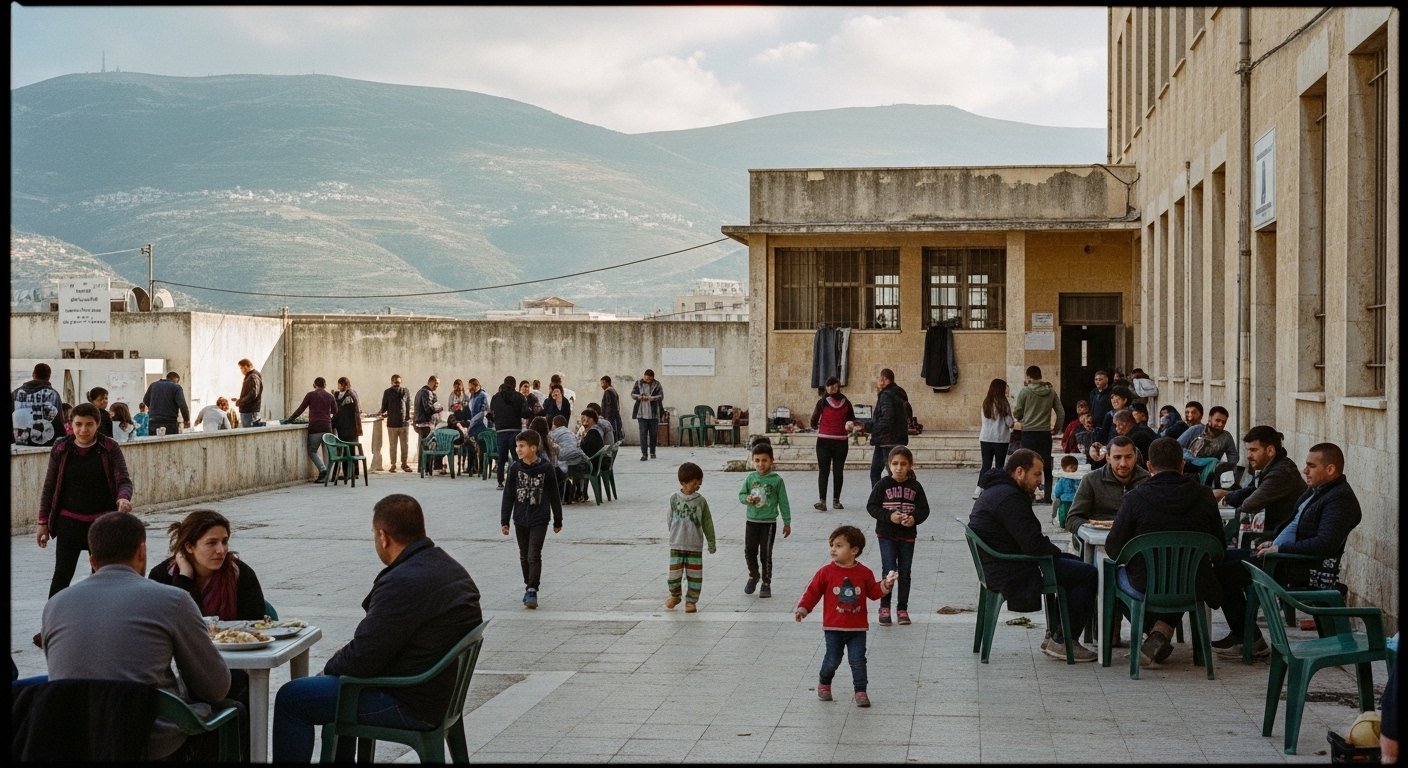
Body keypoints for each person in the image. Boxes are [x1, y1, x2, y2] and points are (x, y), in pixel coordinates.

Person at [272, 494, 482, 762]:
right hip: (435, 694)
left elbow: (364, 657)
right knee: (334, 687)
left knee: (293, 697)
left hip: (409, 700)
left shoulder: (402, 582)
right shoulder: (447, 566)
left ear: (383, 537)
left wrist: (331, 667)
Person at [40, 511, 234, 761]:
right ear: (141, 551)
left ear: (91, 559)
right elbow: (216, 687)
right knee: (230, 709)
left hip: (75, 739)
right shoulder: (173, 600)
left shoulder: (55, 605)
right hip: (147, 741)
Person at [1211, 442, 1362, 659]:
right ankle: (1244, 634)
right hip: (1281, 557)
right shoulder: (1316, 491)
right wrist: (1273, 541)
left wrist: (1280, 548)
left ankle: (1250, 639)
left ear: (1330, 469)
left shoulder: (1340, 500)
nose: (1305, 470)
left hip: (1300, 567)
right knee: (1220, 558)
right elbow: (1295, 525)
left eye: (1311, 466)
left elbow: (1324, 544)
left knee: (1222, 574)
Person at [1103, 437, 1226, 666]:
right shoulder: (1204, 495)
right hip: (1193, 582)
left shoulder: (1135, 498)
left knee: (1112, 576)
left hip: (1145, 584)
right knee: (1178, 576)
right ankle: (1161, 631)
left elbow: (1113, 550)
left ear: (1149, 466)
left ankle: (1156, 632)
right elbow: (1218, 545)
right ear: (1182, 465)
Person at [969, 448, 1098, 662]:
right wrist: (1055, 552)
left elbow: (1030, 540)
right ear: (1020, 472)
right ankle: (1063, 641)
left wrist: (1056, 553)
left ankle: (1056, 634)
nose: (1040, 481)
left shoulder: (999, 490)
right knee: (1088, 573)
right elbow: (1032, 543)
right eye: (1036, 474)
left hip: (1002, 563)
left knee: (1075, 564)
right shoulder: (1009, 497)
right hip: (1013, 569)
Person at [37, 402, 135, 598]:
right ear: (70, 425)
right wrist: (42, 523)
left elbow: (123, 479)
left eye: (89, 424)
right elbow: (49, 486)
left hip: (102, 524)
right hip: (69, 522)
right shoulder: (61, 447)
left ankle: (99, 620)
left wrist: (123, 498)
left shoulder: (109, 447)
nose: (83, 430)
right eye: (79, 424)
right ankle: (53, 622)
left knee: (102, 576)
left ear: (97, 424)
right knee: (62, 575)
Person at [794, 525, 898, 708]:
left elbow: (873, 593)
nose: (833, 549)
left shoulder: (864, 573)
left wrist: (886, 585)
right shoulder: (825, 572)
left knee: (857, 660)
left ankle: (860, 691)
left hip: (857, 628)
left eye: (839, 545)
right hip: (833, 627)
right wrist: (803, 608)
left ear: (854, 550)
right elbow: (813, 591)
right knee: (833, 659)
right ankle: (824, 682)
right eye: (832, 545)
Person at [147, 508, 267, 620]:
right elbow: (171, 623)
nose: (221, 550)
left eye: (224, 542)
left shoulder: (240, 573)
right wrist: (184, 578)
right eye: (211, 543)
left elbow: (255, 624)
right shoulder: (162, 576)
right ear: (189, 546)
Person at [865, 446, 930, 627]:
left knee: (905, 572)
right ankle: (884, 607)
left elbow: (924, 509)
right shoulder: (883, 484)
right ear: (889, 465)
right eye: (895, 464)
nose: (899, 468)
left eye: (903, 464)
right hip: (886, 535)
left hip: (907, 537)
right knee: (889, 570)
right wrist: (889, 516)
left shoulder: (915, 487)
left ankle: (902, 608)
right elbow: (872, 506)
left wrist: (914, 519)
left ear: (910, 465)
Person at [500, 429, 563, 609]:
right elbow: (508, 495)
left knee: (533, 553)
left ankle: (532, 589)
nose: (518, 450)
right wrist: (504, 520)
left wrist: (558, 519)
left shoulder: (545, 468)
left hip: (540, 518)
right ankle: (529, 582)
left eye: (522, 446)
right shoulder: (515, 468)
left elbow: (554, 495)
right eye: (517, 446)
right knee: (524, 554)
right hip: (520, 519)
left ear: (533, 448)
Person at [1212, 425, 1307, 539]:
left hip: (1282, 536)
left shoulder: (1281, 473)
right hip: (1274, 530)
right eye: (1248, 450)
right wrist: (1226, 495)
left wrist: (1224, 515)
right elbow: (1251, 490)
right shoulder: (1269, 467)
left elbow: (1249, 504)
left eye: (1253, 450)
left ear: (1270, 450)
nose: (1248, 456)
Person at [738, 440, 792, 599]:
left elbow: (783, 502)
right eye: (757, 460)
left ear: (771, 461)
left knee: (766, 553)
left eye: (764, 460)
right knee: (749, 551)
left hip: (768, 523)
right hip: (752, 522)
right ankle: (753, 575)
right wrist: (747, 498)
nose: (760, 464)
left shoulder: (777, 480)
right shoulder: (750, 478)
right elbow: (741, 495)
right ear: (753, 460)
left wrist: (787, 522)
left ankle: (766, 583)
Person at [1064, 436, 1149, 534]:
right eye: (1117, 457)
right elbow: (1072, 519)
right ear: (1108, 458)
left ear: (1135, 457)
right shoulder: (1091, 480)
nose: (1123, 464)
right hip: (1098, 538)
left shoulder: (1147, 481)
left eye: (1128, 457)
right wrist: (1091, 530)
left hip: (1135, 540)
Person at [666, 461, 717, 612]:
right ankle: (675, 595)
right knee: (674, 575)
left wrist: (711, 542)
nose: (698, 486)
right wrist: (675, 535)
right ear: (684, 482)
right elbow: (669, 520)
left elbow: (707, 522)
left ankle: (691, 602)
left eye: (699, 483)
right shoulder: (674, 499)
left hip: (694, 546)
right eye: (695, 483)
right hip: (676, 545)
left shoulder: (701, 501)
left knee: (695, 577)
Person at [1012, 365, 1064, 505]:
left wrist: (1023, 418)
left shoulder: (1025, 392)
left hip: (1029, 433)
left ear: (1028, 376)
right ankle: (1047, 496)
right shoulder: (1051, 392)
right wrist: (1056, 428)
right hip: (1044, 433)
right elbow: (1061, 412)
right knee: (1046, 463)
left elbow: (1017, 413)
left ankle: (1028, 495)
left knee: (1027, 463)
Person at [810, 376, 856, 511]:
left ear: (838, 387)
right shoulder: (822, 402)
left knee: (837, 471)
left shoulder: (846, 402)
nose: (831, 388)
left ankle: (836, 500)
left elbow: (852, 418)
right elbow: (814, 419)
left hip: (838, 442)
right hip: (825, 442)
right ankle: (822, 501)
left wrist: (850, 424)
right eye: (829, 386)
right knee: (824, 471)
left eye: (834, 386)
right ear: (826, 387)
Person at [285, 377, 336, 484]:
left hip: (315, 427)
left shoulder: (310, 395)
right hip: (327, 427)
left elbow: (301, 409)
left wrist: (290, 419)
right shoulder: (330, 396)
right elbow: (335, 411)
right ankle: (328, 476)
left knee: (312, 451)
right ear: (325, 385)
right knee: (327, 452)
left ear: (314, 385)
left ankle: (322, 470)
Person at [867, 367, 911, 487]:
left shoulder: (886, 395)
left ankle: (882, 500)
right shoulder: (900, 393)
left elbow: (886, 418)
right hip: (895, 439)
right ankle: (885, 498)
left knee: (887, 473)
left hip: (886, 441)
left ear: (884, 379)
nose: (877, 382)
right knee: (890, 472)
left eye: (879, 379)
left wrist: (870, 428)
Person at [1178, 404, 1239, 484]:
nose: (1220, 425)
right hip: (1188, 471)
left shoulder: (1226, 437)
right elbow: (1176, 446)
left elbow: (1233, 459)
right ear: (1210, 419)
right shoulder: (1196, 430)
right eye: (1217, 420)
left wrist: (1231, 479)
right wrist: (1194, 459)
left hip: (1210, 476)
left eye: (1223, 422)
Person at [489, 375, 530, 489]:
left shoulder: (495, 397)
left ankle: (500, 482)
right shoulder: (520, 397)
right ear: (514, 385)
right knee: (517, 457)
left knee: (501, 458)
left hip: (501, 431)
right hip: (515, 430)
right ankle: (519, 480)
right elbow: (525, 414)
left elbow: (491, 415)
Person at [977, 377, 1014, 499]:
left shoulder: (985, 402)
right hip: (1000, 439)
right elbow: (1009, 422)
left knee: (986, 465)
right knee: (999, 466)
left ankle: (979, 489)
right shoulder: (1003, 403)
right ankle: (997, 489)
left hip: (985, 438)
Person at [12, 362, 65, 447]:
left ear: (33, 374)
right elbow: (59, 421)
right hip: (46, 442)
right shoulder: (53, 394)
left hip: (19, 441)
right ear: (49, 377)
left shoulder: (16, 393)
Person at [549, 415, 591, 503]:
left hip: (564, 460)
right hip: (578, 459)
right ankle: (579, 493)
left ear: (554, 425)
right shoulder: (571, 432)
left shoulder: (552, 434)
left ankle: (563, 495)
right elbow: (577, 444)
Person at [378, 374, 413, 472]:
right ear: (391, 382)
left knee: (404, 445)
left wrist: (408, 418)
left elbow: (408, 404)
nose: (397, 384)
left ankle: (404, 464)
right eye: (396, 382)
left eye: (399, 382)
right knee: (393, 446)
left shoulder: (405, 391)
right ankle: (393, 464)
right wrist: (379, 412)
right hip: (392, 424)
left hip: (404, 424)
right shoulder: (387, 392)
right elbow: (384, 406)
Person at [414, 375, 446, 474]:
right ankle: (427, 468)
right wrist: (438, 409)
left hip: (420, 423)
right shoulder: (426, 392)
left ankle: (422, 468)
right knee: (428, 447)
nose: (437, 386)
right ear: (430, 382)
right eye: (436, 383)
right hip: (425, 424)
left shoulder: (420, 391)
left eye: (438, 384)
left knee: (423, 446)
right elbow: (428, 409)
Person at [142, 370, 191, 435]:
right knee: (170, 443)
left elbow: (145, 400)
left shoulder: (153, 385)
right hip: (170, 422)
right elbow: (182, 405)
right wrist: (186, 420)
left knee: (155, 443)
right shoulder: (176, 387)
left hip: (153, 421)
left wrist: (153, 408)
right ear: (176, 380)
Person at [630, 368, 664, 461]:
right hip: (641, 414)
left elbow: (661, 396)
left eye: (649, 379)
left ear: (653, 378)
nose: (647, 379)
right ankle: (644, 454)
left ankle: (652, 452)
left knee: (653, 434)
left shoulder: (657, 384)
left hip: (653, 415)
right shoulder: (638, 383)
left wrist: (652, 398)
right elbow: (632, 394)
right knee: (643, 434)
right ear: (644, 376)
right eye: (646, 378)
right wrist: (640, 397)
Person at [332, 377, 363, 445]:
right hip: (342, 426)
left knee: (350, 447)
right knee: (344, 445)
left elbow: (341, 408)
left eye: (339, 384)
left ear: (343, 385)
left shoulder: (350, 394)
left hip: (350, 427)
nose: (338, 386)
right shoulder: (338, 394)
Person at [236, 359, 263, 427]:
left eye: (241, 368)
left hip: (249, 412)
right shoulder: (251, 376)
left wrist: (241, 401)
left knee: (249, 433)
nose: (241, 370)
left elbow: (254, 394)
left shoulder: (253, 376)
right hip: (249, 412)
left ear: (246, 366)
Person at [599, 375, 623, 440]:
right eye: (601, 383)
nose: (602, 385)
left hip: (610, 418)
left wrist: (606, 418)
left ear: (607, 383)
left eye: (603, 383)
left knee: (611, 435)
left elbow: (609, 406)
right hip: (614, 417)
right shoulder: (613, 390)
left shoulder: (608, 391)